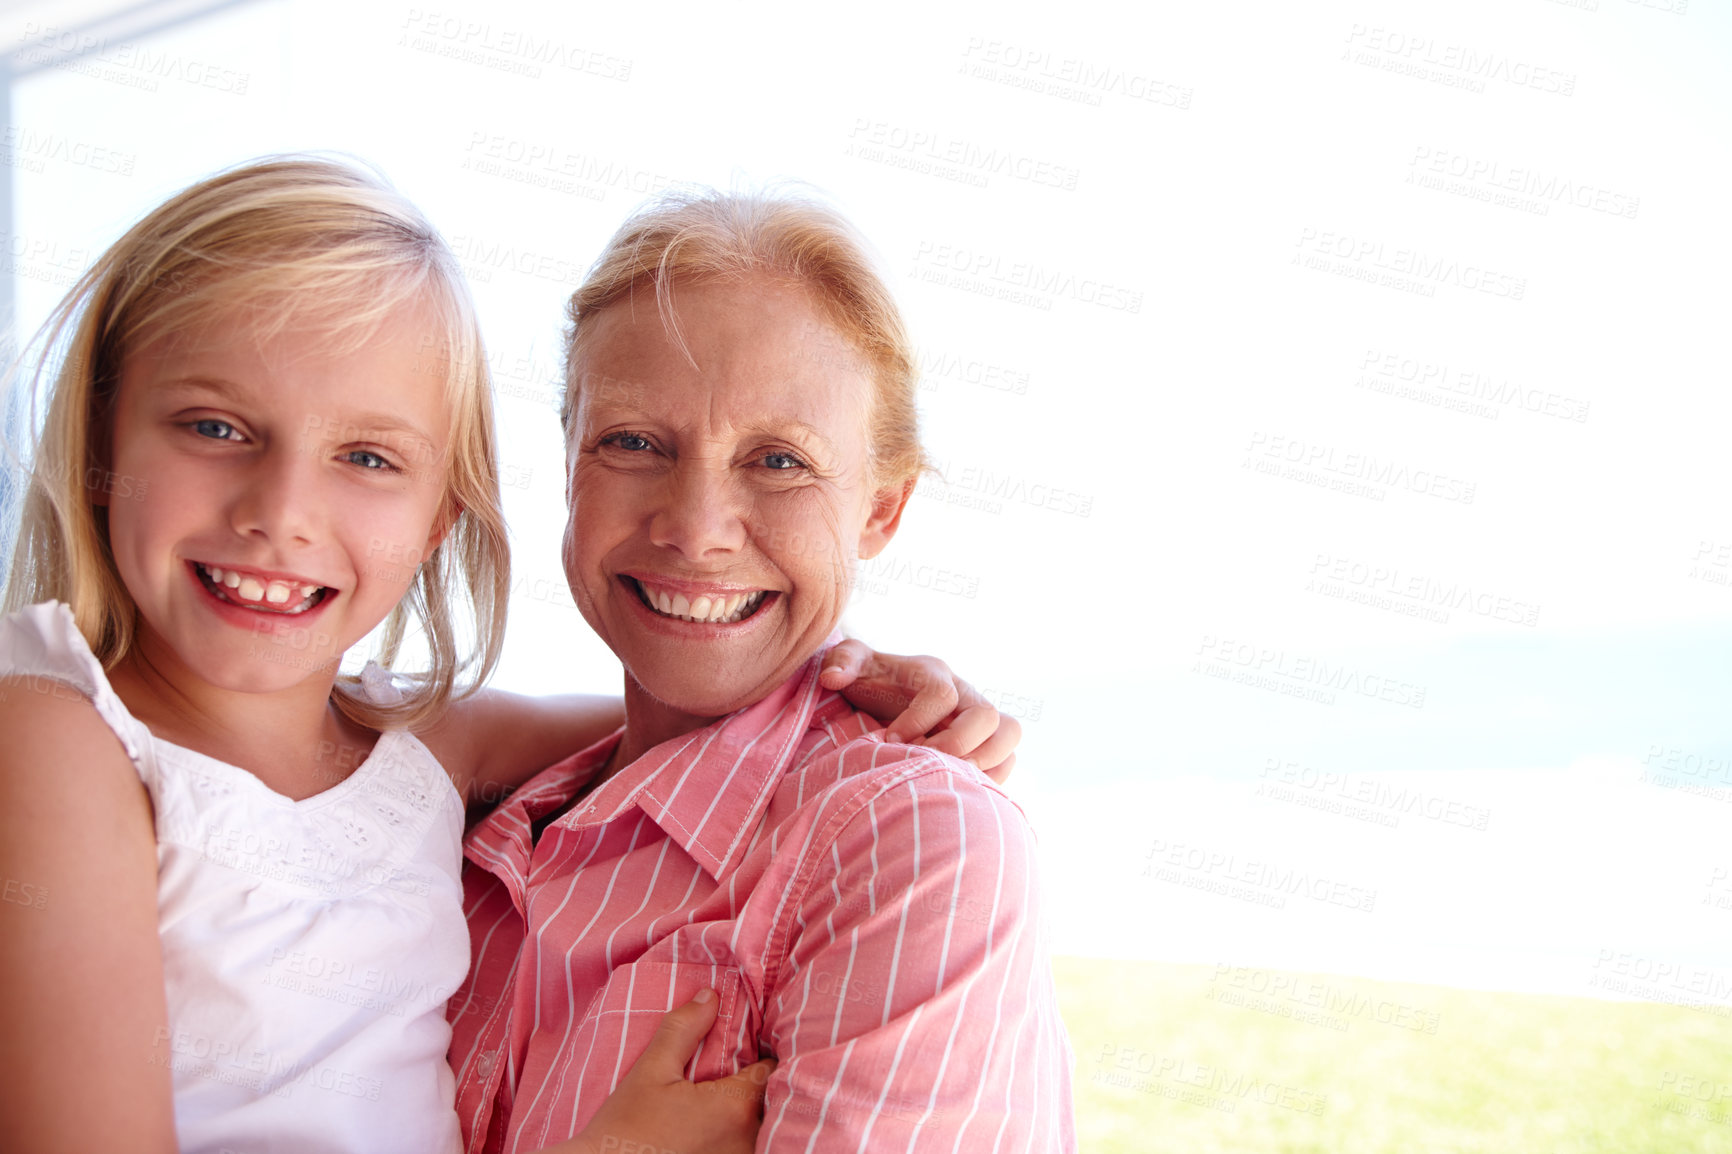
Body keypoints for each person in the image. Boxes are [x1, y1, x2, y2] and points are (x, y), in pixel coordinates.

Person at [0, 157, 1020, 1154]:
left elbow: (708, 730)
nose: (280, 513)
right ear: (98, 441)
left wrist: (876, 683)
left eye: (366, 457)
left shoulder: (415, 745)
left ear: (444, 509)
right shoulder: (56, 742)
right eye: (215, 427)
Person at [448, 189, 1076, 1152]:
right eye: (630, 442)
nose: (695, 530)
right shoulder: (474, 827)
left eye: (780, 460)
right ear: (569, 460)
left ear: (881, 510)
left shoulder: (914, 842)